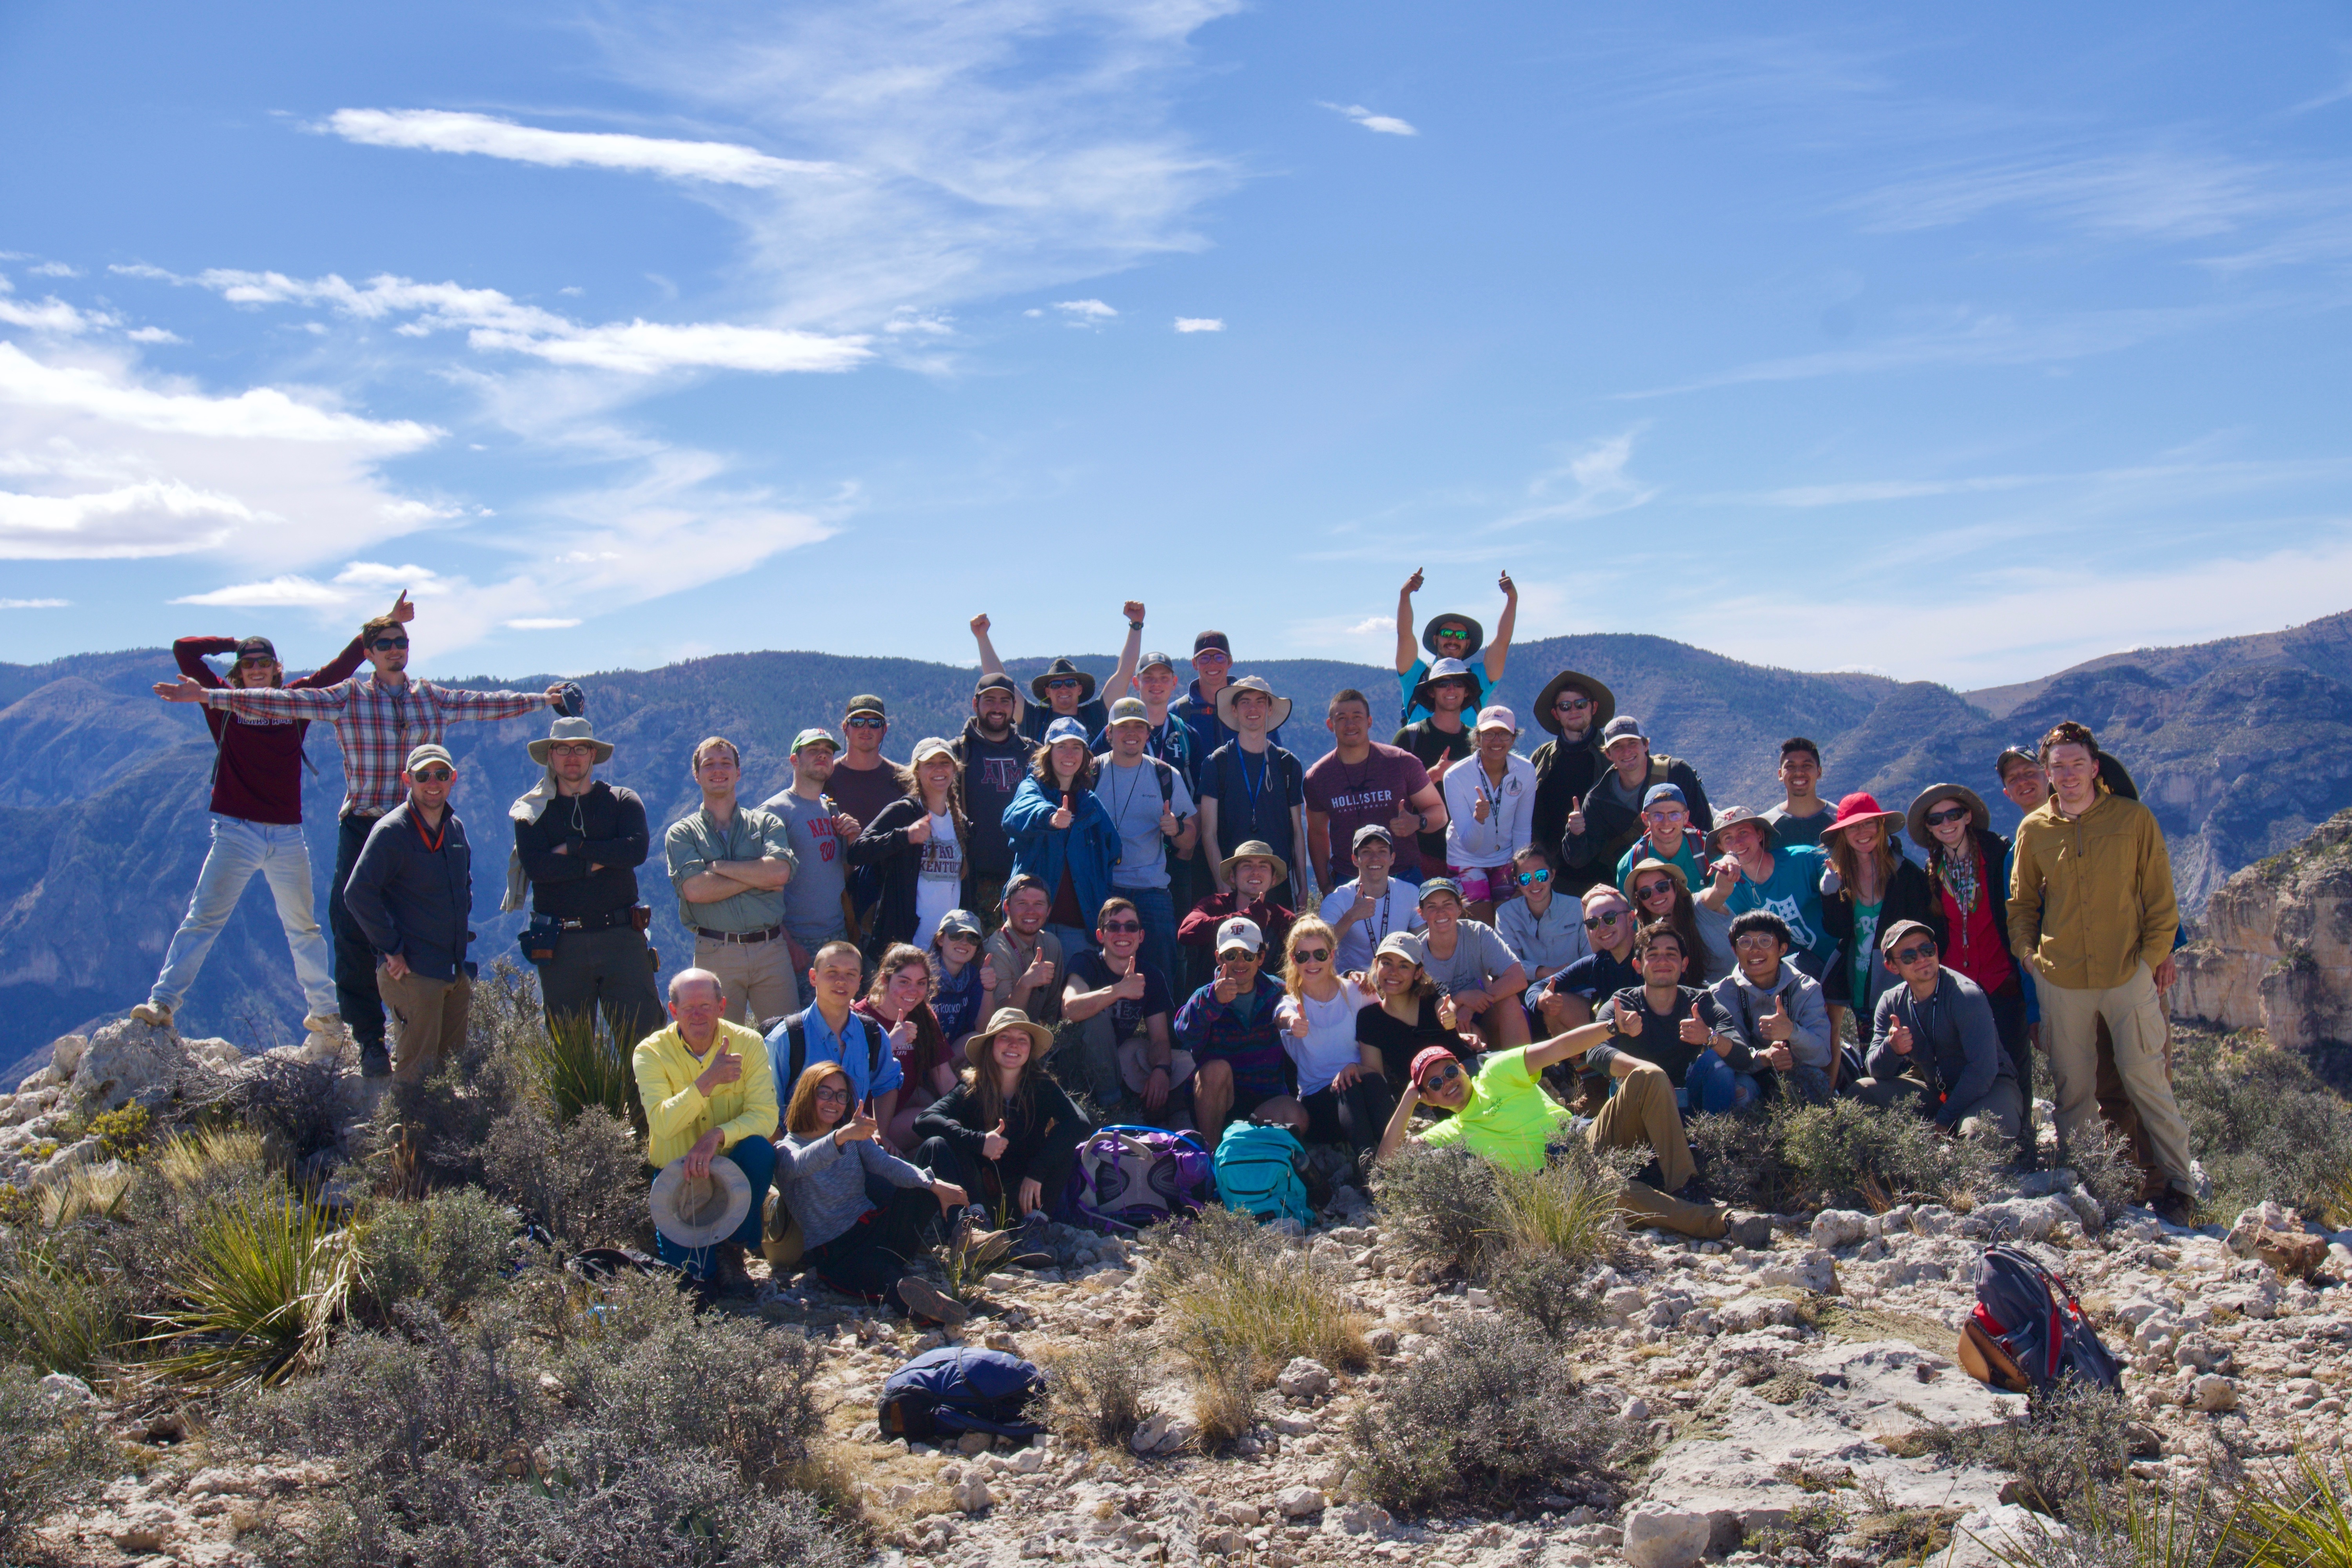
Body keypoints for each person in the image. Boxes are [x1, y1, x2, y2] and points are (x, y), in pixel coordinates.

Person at [158, 604, 566, 1078]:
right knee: (351, 926)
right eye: (385, 644)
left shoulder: (431, 698)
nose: (395, 650)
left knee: (431, 929)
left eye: (401, 643)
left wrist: (542, 699)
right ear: (369, 653)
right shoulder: (346, 697)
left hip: (421, 826)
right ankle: (370, 1039)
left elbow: (488, 704)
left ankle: (426, 1039)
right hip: (366, 824)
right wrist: (208, 696)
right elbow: (276, 703)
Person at [134, 611, 371, 1035]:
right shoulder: (221, 701)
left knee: (303, 926)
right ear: (239, 673)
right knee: (203, 918)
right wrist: (233, 641)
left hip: (286, 835)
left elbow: (340, 668)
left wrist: (375, 630)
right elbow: (184, 650)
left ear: (278, 669)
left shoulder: (296, 700)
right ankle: (163, 1002)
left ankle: (325, 1013)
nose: (257, 669)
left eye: (264, 662)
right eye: (249, 664)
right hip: (236, 832)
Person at [2009, 721, 2196, 1221]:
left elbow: (2161, 899)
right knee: (2075, 1093)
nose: (2068, 775)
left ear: (2095, 767)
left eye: (2077, 764)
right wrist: (2030, 958)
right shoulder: (2035, 830)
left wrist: (2148, 964)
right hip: (2061, 979)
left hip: (2127, 976)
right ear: (2048, 774)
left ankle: (2180, 1189)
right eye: (2058, 767)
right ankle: (2096, 1187)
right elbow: (2022, 903)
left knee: (2148, 1083)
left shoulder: (2134, 820)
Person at [1373, 1023, 1739, 1241]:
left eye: (1450, 1072)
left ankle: (1685, 1184)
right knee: (1612, 1190)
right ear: (1430, 1098)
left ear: (1462, 1068)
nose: (1447, 1084)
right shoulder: (1451, 1133)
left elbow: (1561, 1047)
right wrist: (1408, 1097)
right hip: (1560, 1176)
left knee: (1648, 1076)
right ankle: (1720, 1222)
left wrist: (1612, 1029)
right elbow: (1388, 1162)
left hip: (1586, 1136)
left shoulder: (1498, 1072)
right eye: (1435, 1084)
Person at [506, 715, 662, 1050]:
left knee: (645, 1046)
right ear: (550, 756)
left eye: (580, 748)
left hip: (623, 936)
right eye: (562, 749)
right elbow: (539, 869)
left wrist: (573, 848)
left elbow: (635, 850)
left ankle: (644, 1107)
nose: (572, 756)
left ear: (593, 754)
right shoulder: (530, 811)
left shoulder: (622, 800)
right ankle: (580, 1108)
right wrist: (603, 859)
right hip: (562, 944)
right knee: (571, 1051)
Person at [777, 1061, 970, 1324]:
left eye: (841, 1095)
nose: (833, 1101)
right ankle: (931, 1309)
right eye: (824, 1092)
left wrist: (932, 1185)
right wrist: (839, 1138)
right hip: (840, 1252)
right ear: (807, 1095)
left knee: (935, 1147)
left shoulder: (852, 1137)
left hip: (881, 1229)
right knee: (888, 1278)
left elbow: (887, 1165)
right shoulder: (785, 1149)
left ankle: (964, 1235)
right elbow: (801, 1165)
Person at [632, 968, 779, 1292]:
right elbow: (662, 1123)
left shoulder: (748, 1044)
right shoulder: (650, 1053)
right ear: (673, 1011)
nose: (697, 1015)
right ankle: (708, 1259)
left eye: (706, 1006)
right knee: (692, 1283)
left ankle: (734, 1246)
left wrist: (717, 1136)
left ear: (722, 1006)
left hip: (732, 1169)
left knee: (759, 1151)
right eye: (688, 1008)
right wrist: (707, 1082)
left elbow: (767, 1117)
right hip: (679, 1173)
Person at [341, 744, 476, 1086]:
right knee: (416, 1079)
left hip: (452, 972)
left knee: (448, 1079)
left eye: (442, 775)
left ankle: (440, 1138)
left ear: (453, 779)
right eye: (423, 776)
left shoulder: (455, 830)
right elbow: (357, 893)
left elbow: (464, 887)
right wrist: (390, 946)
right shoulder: (392, 832)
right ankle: (405, 1139)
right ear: (407, 779)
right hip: (414, 975)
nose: (433, 783)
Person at [1908, 784, 2031, 1105]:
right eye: (1936, 819)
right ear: (1930, 829)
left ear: (1968, 817)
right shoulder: (1933, 872)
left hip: (2001, 980)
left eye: (1954, 814)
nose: (1946, 823)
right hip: (1957, 989)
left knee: (2013, 1064)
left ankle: (2023, 1139)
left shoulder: (2000, 857)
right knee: (1965, 1066)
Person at [665, 737, 799, 1028]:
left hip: (771, 951)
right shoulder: (682, 833)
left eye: (726, 763)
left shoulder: (766, 824)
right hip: (716, 952)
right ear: (696, 775)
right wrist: (757, 877)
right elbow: (695, 890)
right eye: (709, 764)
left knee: (787, 1042)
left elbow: (779, 874)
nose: (718, 770)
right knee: (718, 1045)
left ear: (738, 773)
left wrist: (720, 868)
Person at [914, 1008, 1094, 1224]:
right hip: (981, 1194)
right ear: (990, 1046)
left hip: (1027, 1196)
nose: (1014, 1045)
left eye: (1022, 1039)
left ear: (1030, 1049)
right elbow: (923, 1121)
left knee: (1063, 1140)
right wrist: (979, 1142)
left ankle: (1035, 1228)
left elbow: (1080, 1122)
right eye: (1005, 1037)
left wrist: (1037, 1172)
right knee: (941, 1140)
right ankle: (971, 1224)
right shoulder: (971, 1087)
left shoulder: (1042, 1087)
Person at [1853, 921, 2025, 1145]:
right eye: (1908, 956)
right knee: (1862, 1093)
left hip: (1990, 1087)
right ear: (1893, 967)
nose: (1922, 958)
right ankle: (1874, 1176)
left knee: (1978, 1136)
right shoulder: (1891, 1002)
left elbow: (1983, 1071)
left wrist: (1943, 1121)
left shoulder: (1965, 995)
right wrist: (1891, 1048)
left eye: (1927, 950)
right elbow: (1875, 1070)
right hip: (1937, 1089)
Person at [1594, 922, 1761, 1115]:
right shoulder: (1621, 1004)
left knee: (1730, 1074)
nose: (1663, 961)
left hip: (1687, 1098)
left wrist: (1709, 1036)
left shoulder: (1702, 1002)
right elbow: (1594, 1052)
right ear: (1638, 965)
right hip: (1640, 1099)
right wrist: (1650, 1071)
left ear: (1684, 964)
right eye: (1653, 955)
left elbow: (1742, 1058)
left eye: (1671, 954)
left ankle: (1715, 1142)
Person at [1818, 792, 1938, 1045]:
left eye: (1868, 823)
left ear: (1881, 826)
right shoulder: (1841, 878)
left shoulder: (1907, 876)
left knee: (1908, 1060)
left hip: (1902, 989)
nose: (1862, 832)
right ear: (1844, 835)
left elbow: (1926, 931)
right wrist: (1830, 893)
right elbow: (1837, 929)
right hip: (1860, 988)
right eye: (1853, 827)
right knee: (1872, 1060)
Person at [1095, 696, 1198, 987]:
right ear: (1109, 733)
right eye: (1123, 727)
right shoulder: (1090, 773)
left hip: (1152, 891)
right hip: (1103, 887)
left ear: (1148, 733)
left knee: (1161, 977)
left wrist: (1177, 829)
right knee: (1102, 977)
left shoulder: (1165, 775)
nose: (1131, 734)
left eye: (1138, 728)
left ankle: (1162, 1032)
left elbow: (1190, 841)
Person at [1172, 916, 1305, 1138]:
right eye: (1231, 955)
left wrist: (1353, 979)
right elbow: (1184, 1033)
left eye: (1249, 955)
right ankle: (1213, 1155)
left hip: (1266, 1101)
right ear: (1219, 958)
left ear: (1261, 957)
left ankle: (1250, 1156)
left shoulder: (1279, 991)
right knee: (1215, 1070)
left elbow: (1321, 990)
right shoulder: (1205, 995)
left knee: (1297, 1115)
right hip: (1219, 1102)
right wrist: (1214, 1000)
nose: (1240, 963)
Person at [1303, 689, 1448, 890]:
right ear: (1330, 725)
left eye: (1357, 717)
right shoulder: (1318, 777)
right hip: (1349, 879)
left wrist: (1418, 822)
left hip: (1403, 875)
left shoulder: (1402, 763)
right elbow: (1317, 833)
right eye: (1342, 718)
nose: (1350, 724)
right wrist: (1325, 885)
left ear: (1369, 722)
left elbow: (1439, 813)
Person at [1273, 918, 1393, 1158]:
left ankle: (1396, 1159)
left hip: (1363, 1089)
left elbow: (1386, 1025)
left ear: (1332, 955)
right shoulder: (1292, 1004)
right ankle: (1369, 1167)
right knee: (1349, 1089)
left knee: (1369, 1083)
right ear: (1292, 958)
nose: (1312, 962)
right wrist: (1293, 1023)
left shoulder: (1356, 991)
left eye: (1319, 954)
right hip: (1320, 1105)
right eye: (1303, 956)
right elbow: (1281, 1016)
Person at [1003, 717, 1121, 961]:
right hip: (1032, 927)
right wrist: (1049, 818)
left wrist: (1100, 894)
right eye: (1062, 747)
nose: (1069, 754)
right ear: (1048, 753)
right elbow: (1015, 815)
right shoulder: (1031, 788)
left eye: (1076, 747)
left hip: (1080, 928)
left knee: (1073, 997)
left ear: (1085, 756)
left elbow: (1113, 852)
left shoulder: (1090, 803)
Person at [768, 941, 904, 1152]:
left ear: (860, 983)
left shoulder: (872, 1034)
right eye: (832, 972)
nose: (841, 981)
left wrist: (880, 1134)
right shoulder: (787, 1038)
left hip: (856, 1151)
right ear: (814, 977)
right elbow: (765, 1108)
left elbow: (887, 1084)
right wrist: (787, 1162)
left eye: (851, 974)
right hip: (802, 1153)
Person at [848, 737, 975, 958]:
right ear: (917, 771)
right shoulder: (904, 812)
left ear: (955, 770)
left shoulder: (960, 823)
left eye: (945, 763)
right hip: (906, 946)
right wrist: (905, 836)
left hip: (948, 948)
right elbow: (858, 851)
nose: (939, 770)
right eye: (930, 764)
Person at [1058, 896, 1182, 1119]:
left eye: (1131, 927)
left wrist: (1162, 1070)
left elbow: (1160, 1039)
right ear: (1100, 935)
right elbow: (1070, 1009)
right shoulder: (1085, 963)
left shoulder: (1151, 975)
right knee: (1095, 1019)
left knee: (1177, 1066)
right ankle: (1113, 1109)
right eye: (1113, 927)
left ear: (1141, 936)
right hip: (1077, 1065)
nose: (1123, 933)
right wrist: (1118, 990)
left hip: (1120, 1063)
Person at [1561, 717, 1712, 889]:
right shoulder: (1599, 799)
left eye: (1633, 743)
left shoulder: (1677, 773)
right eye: (1617, 746)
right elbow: (1578, 860)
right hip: (1639, 886)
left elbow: (1705, 827)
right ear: (1608, 754)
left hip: (1690, 873)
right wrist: (1575, 833)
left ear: (1646, 745)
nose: (1626, 752)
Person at [1198, 676, 1310, 909]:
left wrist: (1303, 888)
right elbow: (1209, 832)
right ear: (1234, 710)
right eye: (1246, 702)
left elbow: (1298, 832)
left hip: (1277, 884)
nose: (1253, 709)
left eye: (1261, 702)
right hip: (1233, 885)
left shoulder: (1288, 764)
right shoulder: (1216, 763)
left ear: (1270, 709)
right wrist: (1223, 887)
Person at [972, 601, 1146, 746]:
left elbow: (1124, 673)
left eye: (1070, 683)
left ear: (1079, 689)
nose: (1063, 689)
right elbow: (999, 684)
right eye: (1056, 685)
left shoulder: (1095, 714)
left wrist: (1136, 625)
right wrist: (982, 637)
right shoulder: (1033, 718)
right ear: (1048, 692)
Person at [757, 729, 858, 969]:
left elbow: (841, 873)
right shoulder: (774, 811)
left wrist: (853, 839)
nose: (822, 756)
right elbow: (760, 887)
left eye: (827, 752)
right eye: (813, 751)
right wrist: (788, 942)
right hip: (797, 941)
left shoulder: (830, 809)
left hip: (837, 935)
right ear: (795, 760)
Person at [1695, 805, 1833, 980]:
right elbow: (1707, 905)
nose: (1737, 843)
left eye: (1743, 833)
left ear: (1760, 835)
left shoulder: (1804, 859)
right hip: (1803, 973)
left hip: (1843, 953)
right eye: (1728, 838)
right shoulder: (1733, 890)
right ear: (1721, 848)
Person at [1708, 912, 1829, 1104]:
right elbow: (1725, 1055)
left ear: (1782, 949)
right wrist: (1764, 1057)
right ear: (1734, 949)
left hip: (1796, 1071)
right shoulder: (1720, 994)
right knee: (1736, 1089)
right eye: (1745, 942)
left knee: (1815, 1080)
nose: (1755, 950)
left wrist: (1792, 1032)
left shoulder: (1807, 989)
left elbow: (1822, 1055)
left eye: (1765, 941)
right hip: (1747, 1076)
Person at [948, 674, 1037, 929]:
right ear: (975, 704)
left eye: (1004, 701)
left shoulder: (1033, 753)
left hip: (1025, 879)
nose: (997, 708)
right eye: (989, 700)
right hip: (971, 880)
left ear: (1014, 707)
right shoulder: (956, 752)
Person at [1440, 706, 1537, 923]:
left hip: (1505, 858)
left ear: (1513, 739)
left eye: (1504, 734)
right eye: (1489, 734)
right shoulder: (1455, 777)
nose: (1497, 741)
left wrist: (1522, 873)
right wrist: (1479, 820)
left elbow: (1522, 829)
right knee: (1483, 926)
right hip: (1466, 858)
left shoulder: (1526, 771)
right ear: (1478, 737)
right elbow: (1470, 843)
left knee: (1509, 921)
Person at [1526, 669, 1615, 894]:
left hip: (1605, 873)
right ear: (1556, 714)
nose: (1573, 710)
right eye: (1565, 706)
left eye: (1580, 704)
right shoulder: (1541, 757)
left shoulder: (1614, 753)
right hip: (1554, 878)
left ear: (1593, 708)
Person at [1413, 878, 1530, 1049]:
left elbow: (1518, 978)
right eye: (1432, 907)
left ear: (1460, 908)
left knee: (1510, 1002)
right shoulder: (1416, 953)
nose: (1441, 912)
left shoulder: (1478, 933)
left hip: (1484, 1012)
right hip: (1443, 1023)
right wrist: (1460, 1001)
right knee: (1469, 1036)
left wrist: (1470, 1008)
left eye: (1448, 904)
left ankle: (1525, 1073)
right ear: (1421, 913)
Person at [857, 944, 954, 1151]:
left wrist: (977, 1113)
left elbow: (945, 1078)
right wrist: (889, 1043)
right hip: (864, 1122)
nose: (913, 991)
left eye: (921, 983)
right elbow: (850, 1081)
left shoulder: (923, 1015)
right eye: (904, 982)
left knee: (951, 1122)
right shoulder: (859, 1018)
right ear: (884, 980)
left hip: (899, 1112)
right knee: (941, 1130)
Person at [1394, 568, 1518, 725]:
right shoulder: (1416, 676)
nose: (1453, 639)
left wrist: (1512, 600)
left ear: (1468, 643)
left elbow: (1502, 642)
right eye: (1447, 633)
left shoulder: (1479, 680)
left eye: (1461, 636)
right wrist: (1405, 595)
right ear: (1436, 638)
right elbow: (1404, 635)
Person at [1393, 658, 1480, 872]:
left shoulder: (1479, 744)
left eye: (1458, 683)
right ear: (1431, 692)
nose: (1451, 688)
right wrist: (1431, 777)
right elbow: (1390, 794)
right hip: (1419, 857)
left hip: (1469, 856)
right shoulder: (1410, 738)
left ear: (1467, 691)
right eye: (1443, 683)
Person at [1356, 931, 1476, 1078]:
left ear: (1418, 973)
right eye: (1387, 963)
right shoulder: (1369, 1018)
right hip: (1420, 1096)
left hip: (1467, 1076)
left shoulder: (1431, 993)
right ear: (1376, 964)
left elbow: (1445, 1006)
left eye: (1404, 966)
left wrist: (1448, 1016)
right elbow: (1375, 1076)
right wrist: (1353, 1069)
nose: (1393, 972)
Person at [1496, 844, 1590, 1031]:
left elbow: (1590, 959)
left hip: (1577, 992)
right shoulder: (1505, 914)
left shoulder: (1577, 908)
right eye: (1525, 879)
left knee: (1555, 1005)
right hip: (1529, 996)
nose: (1534, 884)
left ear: (1553, 875)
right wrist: (1545, 972)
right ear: (1517, 882)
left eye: (1541, 876)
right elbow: (1507, 965)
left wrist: (1562, 978)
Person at [1318, 825, 1426, 973]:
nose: (1375, 858)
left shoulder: (1410, 893)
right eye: (1367, 852)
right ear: (1355, 860)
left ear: (1392, 858)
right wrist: (1351, 917)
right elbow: (1320, 948)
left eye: (1382, 851)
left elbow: (1422, 945)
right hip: (1352, 983)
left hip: (1396, 980)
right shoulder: (1337, 899)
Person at [1179, 840, 1298, 963]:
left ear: (1273, 879)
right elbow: (1185, 933)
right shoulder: (1213, 905)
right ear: (1232, 876)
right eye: (1247, 865)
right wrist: (1246, 918)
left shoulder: (1284, 919)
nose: (1256, 872)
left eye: (1263, 866)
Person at [1626, 858, 1732, 984]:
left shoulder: (1700, 906)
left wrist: (1727, 866)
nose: (1656, 895)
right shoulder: (1657, 932)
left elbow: (1720, 891)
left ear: (1675, 885)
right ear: (1640, 901)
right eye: (1645, 893)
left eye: (1662, 886)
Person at [985, 875, 1065, 1025]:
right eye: (1022, 903)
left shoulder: (1051, 944)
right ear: (1007, 907)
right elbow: (999, 1023)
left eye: (1039, 904)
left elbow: (1052, 1012)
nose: (1031, 911)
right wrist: (1025, 984)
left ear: (1049, 911)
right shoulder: (995, 951)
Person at [927, 908, 997, 1059]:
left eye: (973, 938)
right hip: (922, 1052)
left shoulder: (975, 977)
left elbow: (983, 1030)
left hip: (954, 1059)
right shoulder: (921, 975)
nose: (964, 942)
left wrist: (989, 990)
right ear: (940, 940)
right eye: (956, 935)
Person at [1615, 783, 1706, 891]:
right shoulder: (1630, 866)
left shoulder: (1709, 851)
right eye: (1657, 816)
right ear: (1645, 818)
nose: (1666, 823)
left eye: (1674, 815)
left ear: (1686, 817)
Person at [1762, 739, 1835, 848]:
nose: (1799, 772)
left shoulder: (1841, 821)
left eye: (1807, 766)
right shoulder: (1765, 828)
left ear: (1819, 772)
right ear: (1780, 774)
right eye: (1790, 767)